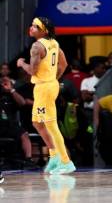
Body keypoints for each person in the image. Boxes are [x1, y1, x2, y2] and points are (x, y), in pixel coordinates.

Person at [17, 17, 76, 174]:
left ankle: (66, 161)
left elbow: (32, 71)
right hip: (48, 85)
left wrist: (21, 63)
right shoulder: (54, 43)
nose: (31, 28)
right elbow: (63, 64)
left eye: (35, 26)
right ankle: (54, 156)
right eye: (31, 25)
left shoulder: (37, 46)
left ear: (44, 31)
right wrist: (53, 78)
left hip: (44, 88)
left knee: (51, 125)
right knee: (37, 122)